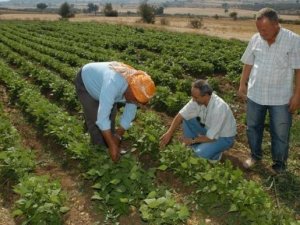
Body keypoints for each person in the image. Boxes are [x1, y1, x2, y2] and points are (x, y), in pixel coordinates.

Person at [238, 8, 300, 173]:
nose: (260, 32)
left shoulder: (293, 40)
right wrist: (242, 84)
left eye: (264, 29)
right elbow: (249, 62)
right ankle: (255, 156)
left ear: (276, 24)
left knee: (280, 133)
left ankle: (279, 165)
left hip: (280, 97)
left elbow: (299, 70)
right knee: (252, 127)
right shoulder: (256, 39)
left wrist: (297, 95)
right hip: (255, 93)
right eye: (258, 29)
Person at [74, 61, 156, 162]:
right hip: (86, 82)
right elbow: (102, 119)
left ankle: (109, 145)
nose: (135, 103)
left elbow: (129, 114)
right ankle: (100, 154)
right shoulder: (113, 82)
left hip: (105, 88)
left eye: (138, 101)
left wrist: (117, 136)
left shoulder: (136, 84)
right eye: (135, 99)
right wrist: (112, 145)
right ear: (130, 89)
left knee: (111, 116)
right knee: (96, 120)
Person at [160, 79, 236, 160]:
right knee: (186, 118)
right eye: (192, 96)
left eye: (196, 97)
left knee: (197, 156)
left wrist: (191, 140)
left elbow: (212, 138)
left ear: (206, 95)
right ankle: (197, 147)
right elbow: (180, 115)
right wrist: (169, 133)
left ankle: (215, 154)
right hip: (209, 130)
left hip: (222, 137)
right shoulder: (197, 100)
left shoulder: (219, 108)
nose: (193, 99)